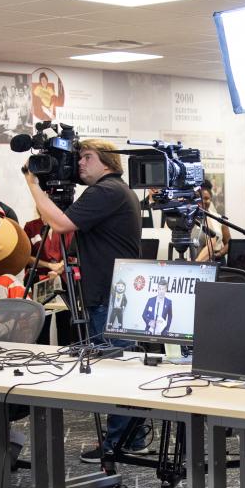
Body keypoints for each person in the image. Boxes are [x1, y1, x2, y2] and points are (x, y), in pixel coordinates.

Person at [23, 138, 144, 462]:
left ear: (106, 161)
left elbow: (60, 225)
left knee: (117, 370)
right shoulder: (114, 191)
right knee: (120, 367)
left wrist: (33, 184)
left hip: (110, 294)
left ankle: (117, 443)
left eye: (86, 157)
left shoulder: (107, 191)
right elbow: (61, 225)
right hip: (112, 291)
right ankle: (129, 437)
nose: (79, 163)